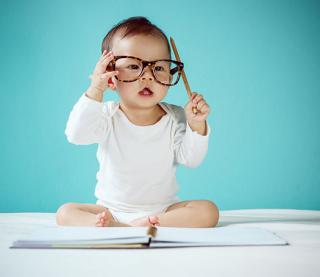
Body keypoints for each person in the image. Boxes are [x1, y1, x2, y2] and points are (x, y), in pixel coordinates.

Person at [56, 16, 219, 228]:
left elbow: (191, 159)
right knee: (65, 213)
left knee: (209, 211)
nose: (148, 76)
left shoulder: (177, 116)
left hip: (163, 210)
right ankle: (119, 225)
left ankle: (149, 223)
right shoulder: (106, 115)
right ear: (111, 76)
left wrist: (196, 124)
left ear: (170, 77)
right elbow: (76, 135)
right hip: (110, 211)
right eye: (134, 66)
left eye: (159, 68)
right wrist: (96, 89)